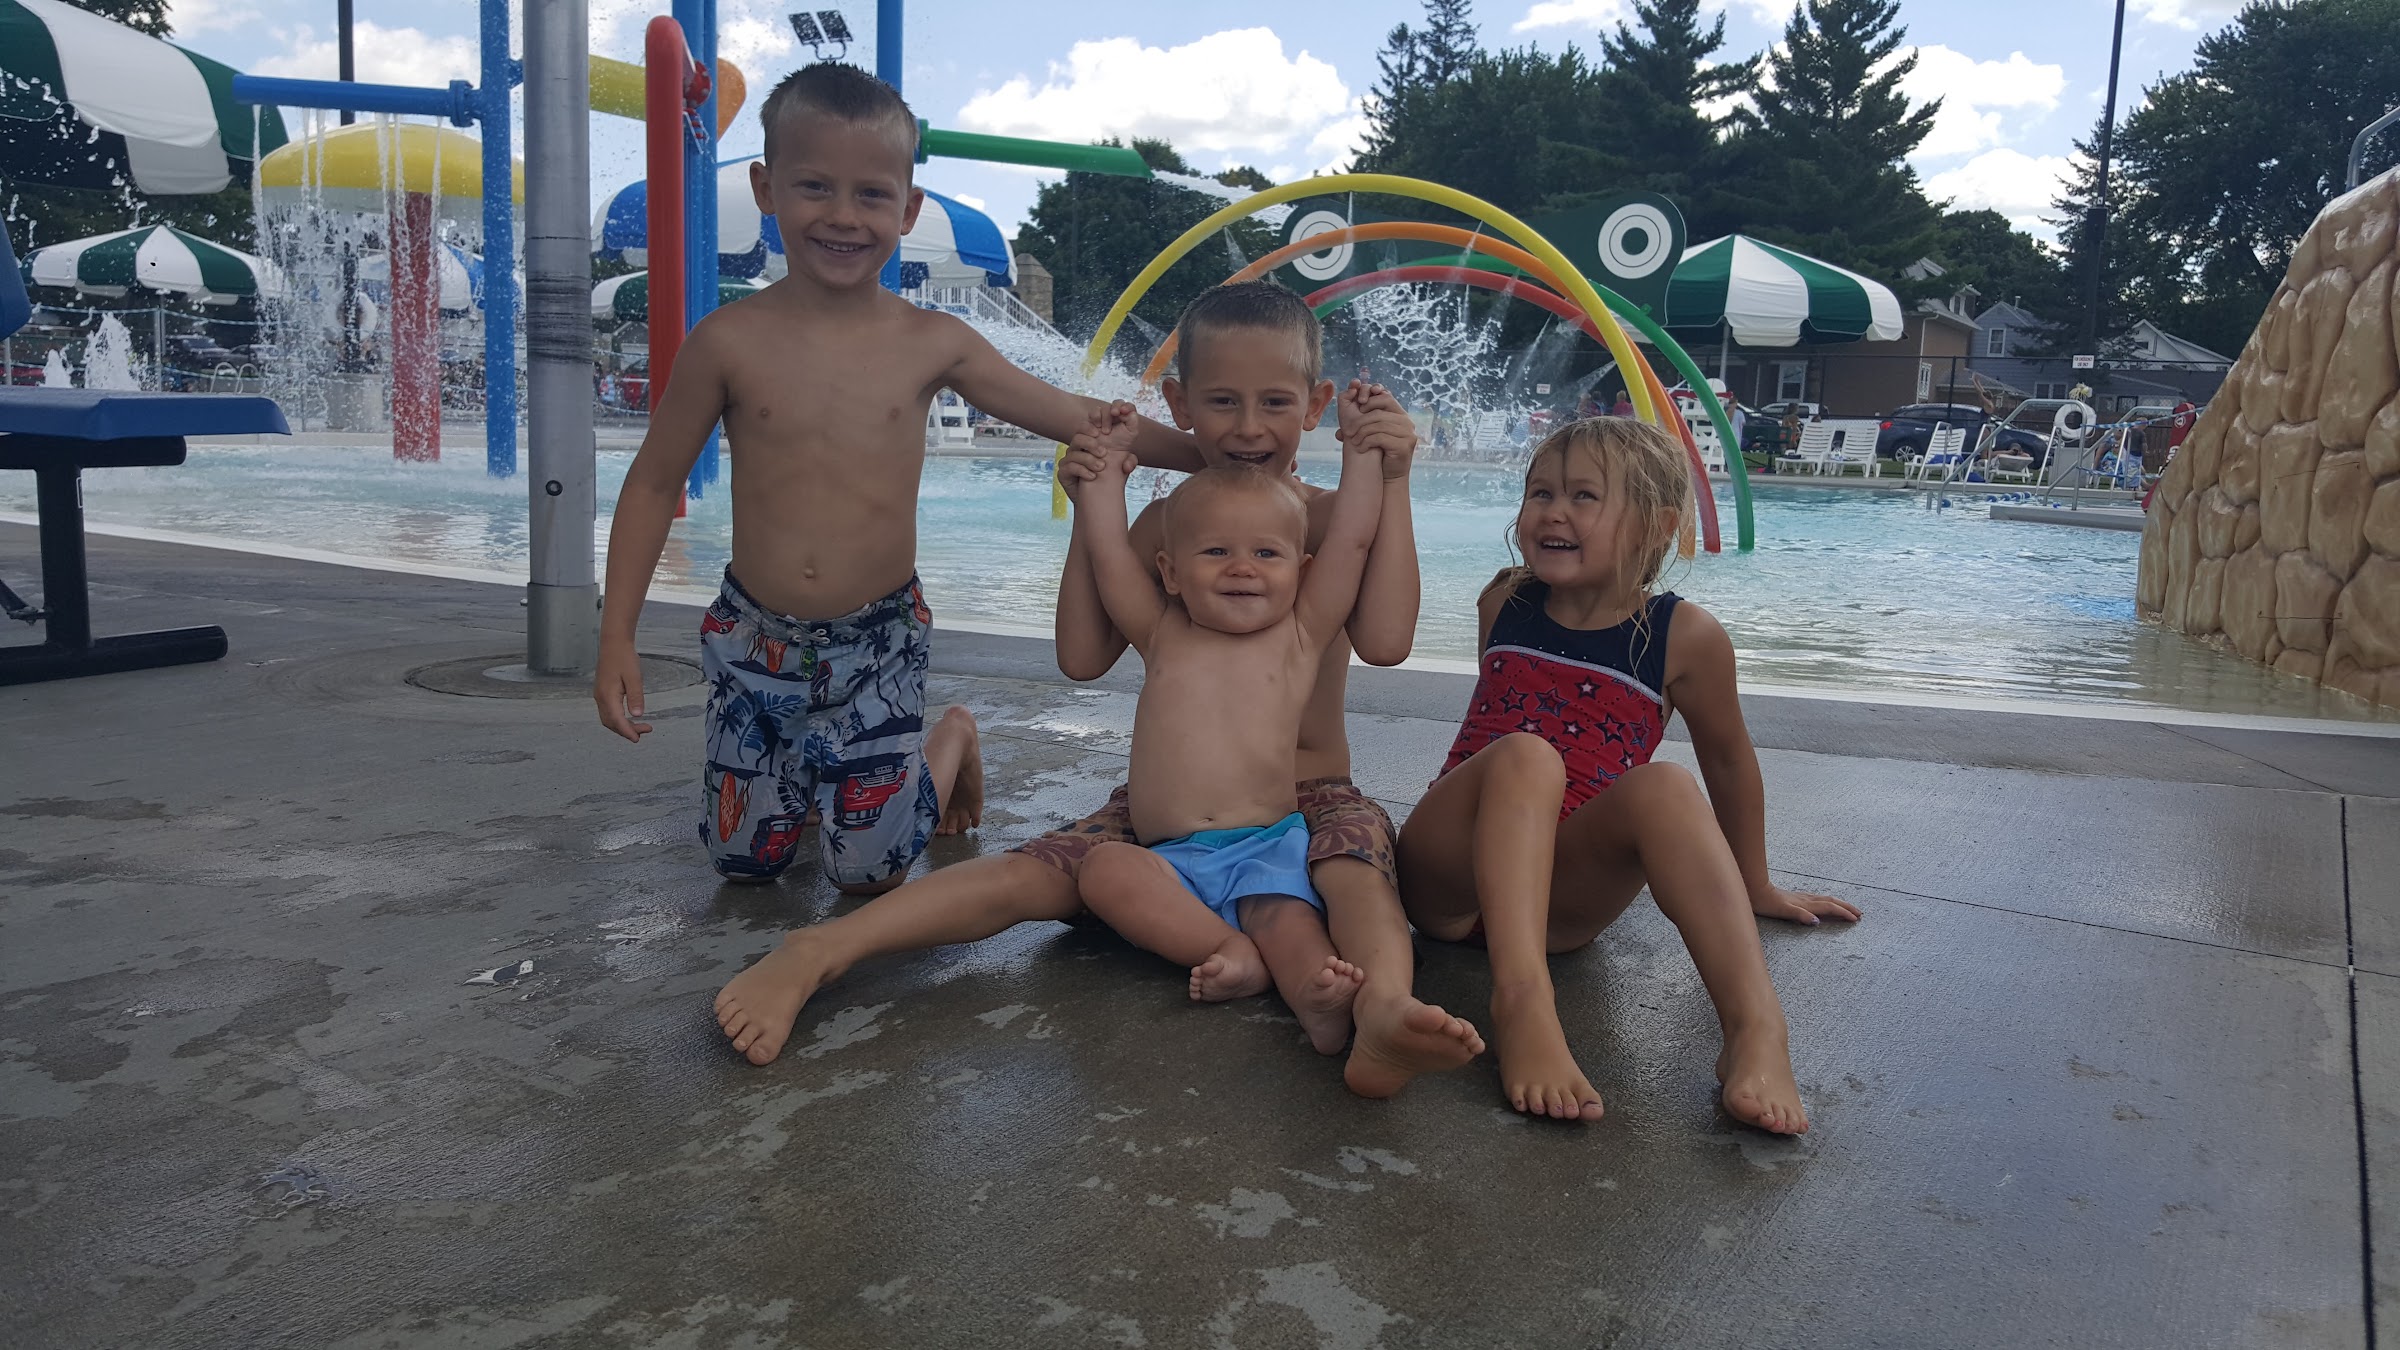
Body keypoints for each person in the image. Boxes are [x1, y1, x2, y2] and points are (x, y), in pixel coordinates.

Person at [715, 282, 1485, 1092]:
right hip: (1166, 818)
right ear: (1180, 406)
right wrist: (1092, 501)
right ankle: (820, 950)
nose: (1248, 426)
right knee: (1030, 873)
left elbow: (1387, 641)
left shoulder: (1330, 520)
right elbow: (1082, 656)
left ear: (1317, 405)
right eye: (1222, 401)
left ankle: (1383, 1010)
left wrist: (1390, 478)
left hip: (1310, 794)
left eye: (1274, 402)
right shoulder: (1167, 530)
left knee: (1355, 869)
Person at [593, 62, 1193, 892]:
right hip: (754, 640)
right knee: (744, 862)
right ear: (767, 189)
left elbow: (1079, 416)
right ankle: (814, 779)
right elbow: (655, 484)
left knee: (868, 875)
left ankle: (949, 740)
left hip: (878, 643)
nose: (843, 216)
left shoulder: (930, 342)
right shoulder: (727, 342)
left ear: (907, 209)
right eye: (814, 187)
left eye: (872, 195)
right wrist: (616, 635)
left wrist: (1205, 455)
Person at [1394, 416, 1859, 1132]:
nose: (1554, 511)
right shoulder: (1505, 600)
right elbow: (1485, 731)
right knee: (1525, 754)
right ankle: (1524, 1003)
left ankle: (1756, 1029)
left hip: (1562, 903)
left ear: (1659, 526)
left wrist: (1754, 883)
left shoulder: (1685, 637)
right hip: (1447, 881)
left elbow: (1728, 761)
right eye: (1541, 492)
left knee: (1667, 785)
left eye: (1584, 496)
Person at [1063, 397, 1386, 1052]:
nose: (1242, 566)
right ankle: (1227, 949)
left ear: (1301, 571)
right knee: (1103, 871)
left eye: (1267, 552)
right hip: (1168, 859)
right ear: (1170, 572)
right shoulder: (1162, 632)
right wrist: (1101, 482)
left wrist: (1363, 458)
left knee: (1288, 922)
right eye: (1216, 551)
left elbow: (1351, 543)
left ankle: (1316, 999)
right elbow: (1110, 558)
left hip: (1263, 846)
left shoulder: (1300, 638)